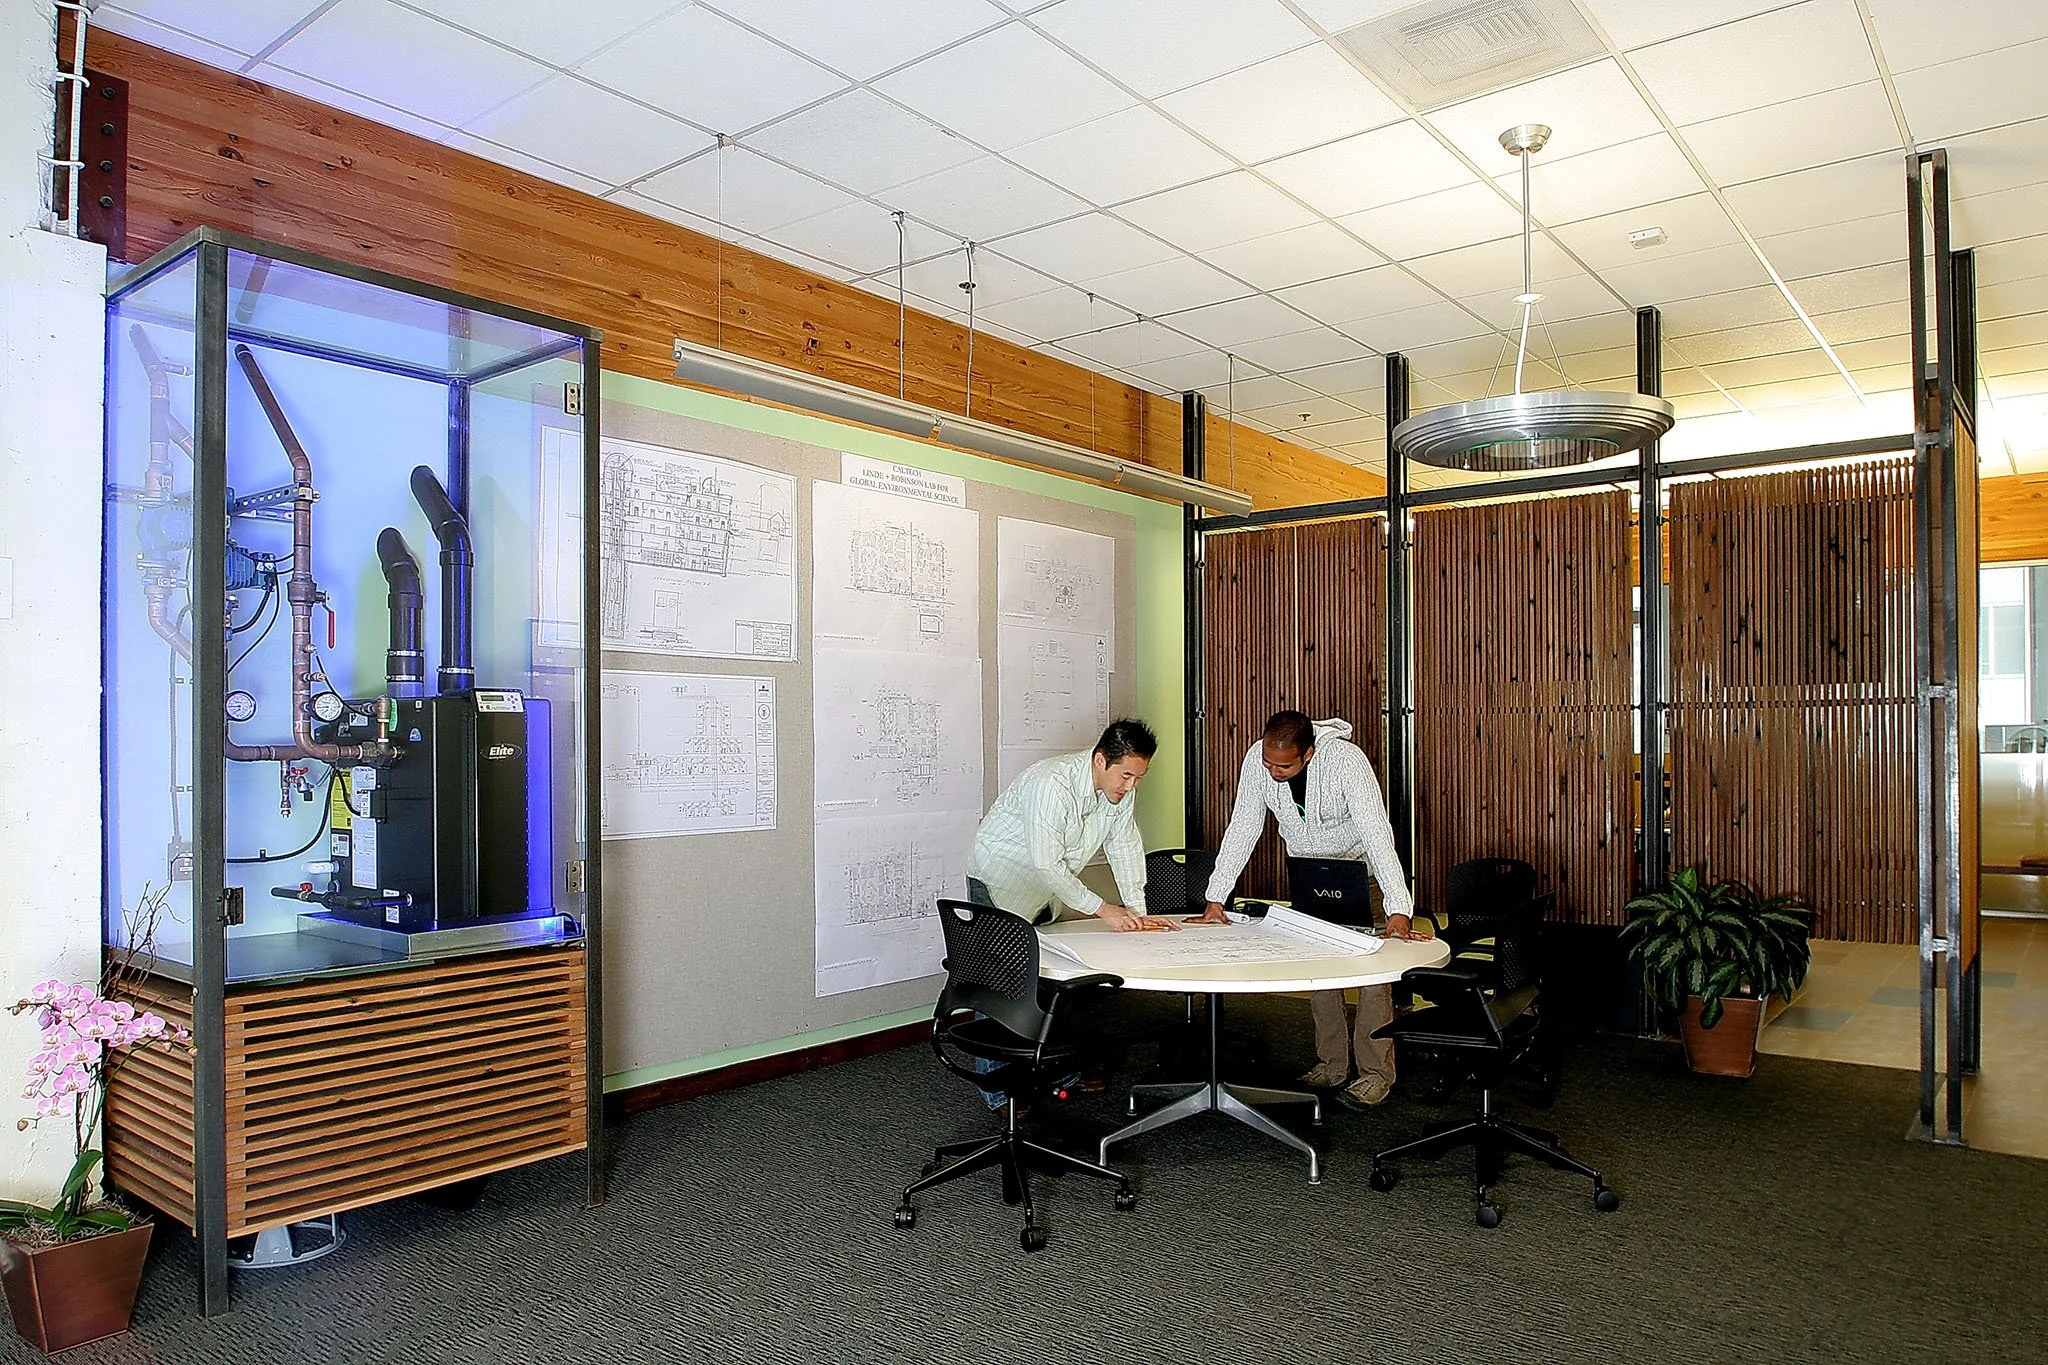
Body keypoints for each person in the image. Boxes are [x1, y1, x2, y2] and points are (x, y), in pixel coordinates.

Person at [1192, 710, 1417, 1110]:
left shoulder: (1347, 761)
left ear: (1308, 753)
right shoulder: (1257, 760)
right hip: (1308, 876)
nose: (1274, 772)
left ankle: (1375, 1075)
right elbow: (1244, 824)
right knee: (1320, 971)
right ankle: (1332, 1063)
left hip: (1358, 874)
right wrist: (1216, 896)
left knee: (1372, 979)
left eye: (1284, 765)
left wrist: (1398, 906)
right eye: (1268, 763)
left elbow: (1377, 831)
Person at [966, 718, 1178, 933]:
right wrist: (1103, 909)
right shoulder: (1053, 784)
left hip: (1046, 891)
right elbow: (1047, 862)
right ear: (1100, 761)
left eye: (1138, 777)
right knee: (1000, 963)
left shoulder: (1122, 792)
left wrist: (1138, 915)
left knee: (1043, 959)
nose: (1131, 785)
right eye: (1126, 775)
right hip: (1001, 884)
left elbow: (1124, 848)